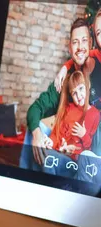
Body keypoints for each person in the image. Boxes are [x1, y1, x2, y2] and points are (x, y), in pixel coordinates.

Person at [20, 17, 101, 170]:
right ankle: (25, 180)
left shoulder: (98, 67)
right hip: (66, 141)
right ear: (70, 47)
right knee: (32, 133)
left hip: (90, 144)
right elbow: (36, 108)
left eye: (84, 41)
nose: (80, 47)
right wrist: (37, 134)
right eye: (75, 42)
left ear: (90, 43)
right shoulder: (64, 79)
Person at [42, 70, 100, 177]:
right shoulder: (70, 108)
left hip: (76, 162)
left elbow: (90, 149)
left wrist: (83, 135)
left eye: (81, 88)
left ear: (88, 85)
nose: (79, 96)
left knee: (48, 157)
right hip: (62, 154)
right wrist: (51, 142)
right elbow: (57, 132)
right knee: (44, 152)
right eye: (74, 93)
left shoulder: (95, 114)